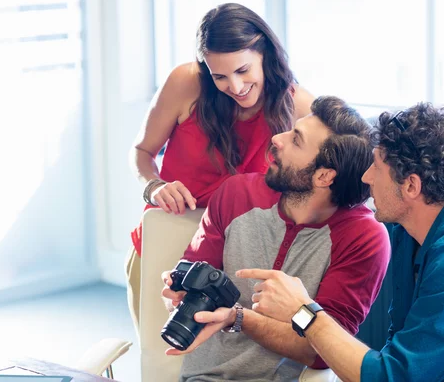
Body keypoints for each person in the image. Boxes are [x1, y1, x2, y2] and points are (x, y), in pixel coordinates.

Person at [238, 103, 444, 382]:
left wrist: (303, 311)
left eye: (376, 168)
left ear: (410, 186)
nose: (366, 177)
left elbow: (394, 377)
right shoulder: (411, 228)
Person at [161, 96, 391, 381]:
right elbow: (194, 270)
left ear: (323, 176)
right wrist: (179, 289)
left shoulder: (363, 238)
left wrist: (239, 318)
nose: (277, 139)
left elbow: (324, 351)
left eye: (296, 140)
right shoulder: (236, 194)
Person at [125, 3, 314, 333]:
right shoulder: (186, 83)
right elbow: (141, 152)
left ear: (265, 55)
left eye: (243, 70)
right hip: (163, 245)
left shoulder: (298, 105)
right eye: (220, 77)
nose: (235, 87)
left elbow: (338, 168)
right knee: (160, 360)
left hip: (243, 261)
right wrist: (155, 186)